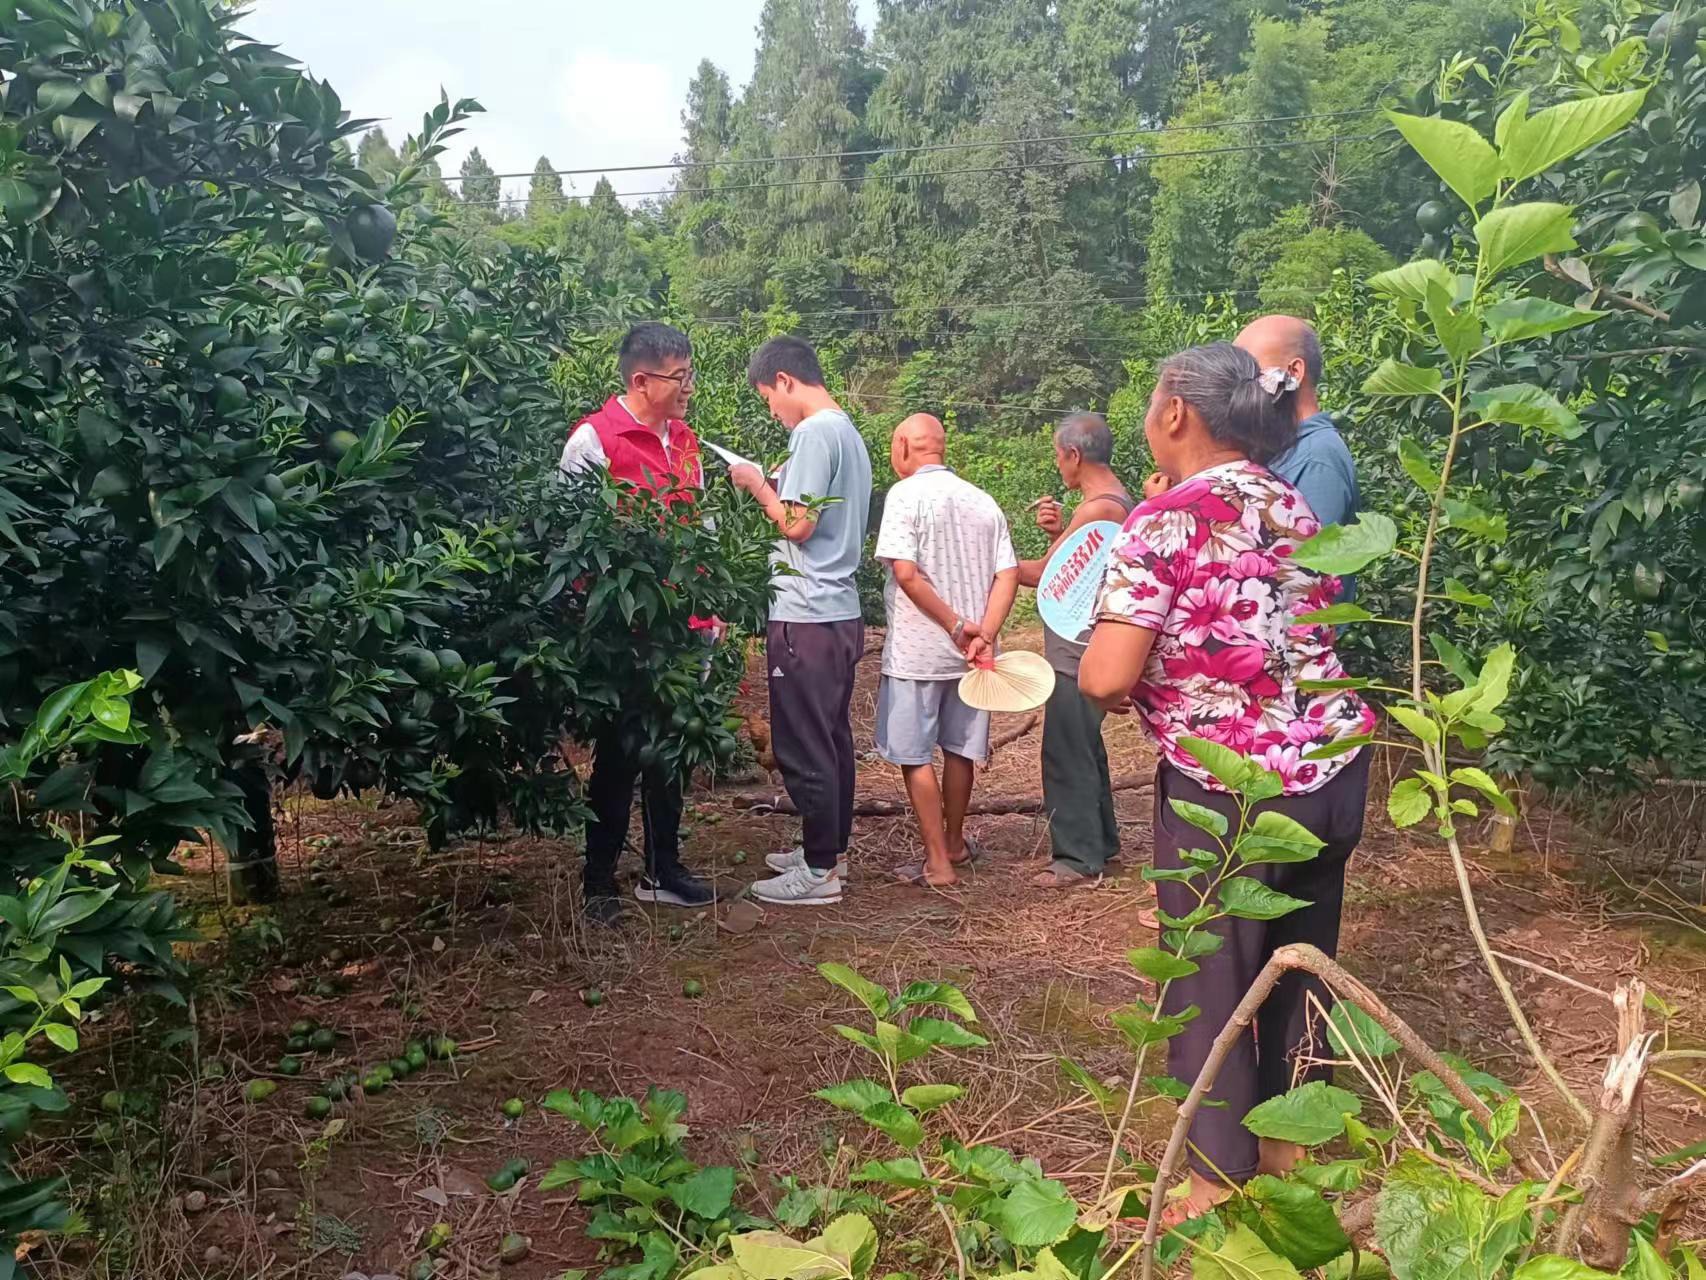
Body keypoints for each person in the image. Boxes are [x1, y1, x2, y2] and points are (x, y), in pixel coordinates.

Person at [1078, 342, 1377, 1224]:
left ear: (1175, 411)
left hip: (1235, 791)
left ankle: (1214, 1182)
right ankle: (1289, 1154)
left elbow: (1106, 675)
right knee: (1298, 968)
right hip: (1332, 768)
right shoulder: (1292, 503)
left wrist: (1106, 664)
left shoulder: (1164, 519)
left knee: (1210, 983)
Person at [560, 322, 717, 921]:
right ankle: (598, 880)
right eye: (680, 377)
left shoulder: (685, 441)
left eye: (690, 374)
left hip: (681, 627)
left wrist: (709, 607)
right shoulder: (594, 440)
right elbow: (573, 537)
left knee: (670, 748)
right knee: (620, 755)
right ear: (641, 380)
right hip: (621, 632)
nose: (689, 387)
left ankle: (662, 868)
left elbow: (701, 527)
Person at [728, 337, 872, 906]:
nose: (772, 411)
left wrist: (756, 483)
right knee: (831, 737)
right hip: (838, 610)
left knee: (805, 742)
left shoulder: (813, 432)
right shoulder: (847, 431)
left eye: (769, 398)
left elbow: (797, 525)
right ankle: (830, 850)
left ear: (786, 381)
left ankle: (818, 872)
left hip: (806, 613)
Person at [873, 414, 1019, 887]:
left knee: (915, 755)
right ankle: (954, 842)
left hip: (918, 653)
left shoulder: (904, 496)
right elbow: (1007, 574)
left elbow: (906, 573)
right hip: (972, 658)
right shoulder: (982, 500)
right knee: (959, 751)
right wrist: (984, 634)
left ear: (902, 447)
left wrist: (955, 626)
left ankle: (937, 862)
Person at [1018, 413, 1136, 888]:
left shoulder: (1098, 511)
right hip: (1089, 647)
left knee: (1066, 751)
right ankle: (1102, 844)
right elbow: (1076, 573)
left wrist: (991, 558)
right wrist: (1058, 536)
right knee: (1085, 747)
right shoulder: (1113, 501)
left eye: (1057, 455)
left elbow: (1042, 575)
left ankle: (1076, 858)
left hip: (1079, 654)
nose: (1057, 465)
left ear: (1073, 455)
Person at [1234, 315, 1361, 597]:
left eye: (1251, 373)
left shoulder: (1317, 459)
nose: (1241, 390)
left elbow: (1304, 577)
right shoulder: (1286, 450)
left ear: (1294, 372)